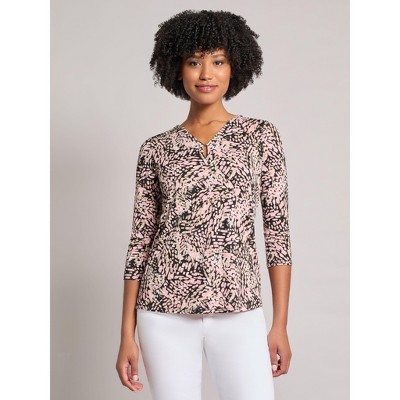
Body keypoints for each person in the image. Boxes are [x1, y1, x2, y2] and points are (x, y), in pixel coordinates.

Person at [116, 9, 293, 400]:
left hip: (240, 308)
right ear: (177, 69)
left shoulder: (260, 137)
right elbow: (140, 242)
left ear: (235, 67)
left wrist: (279, 324)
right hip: (162, 310)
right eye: (194, 62)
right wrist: (127, 334)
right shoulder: (156, 149)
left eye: (218, 61)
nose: (206, 74)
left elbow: (277, 233)